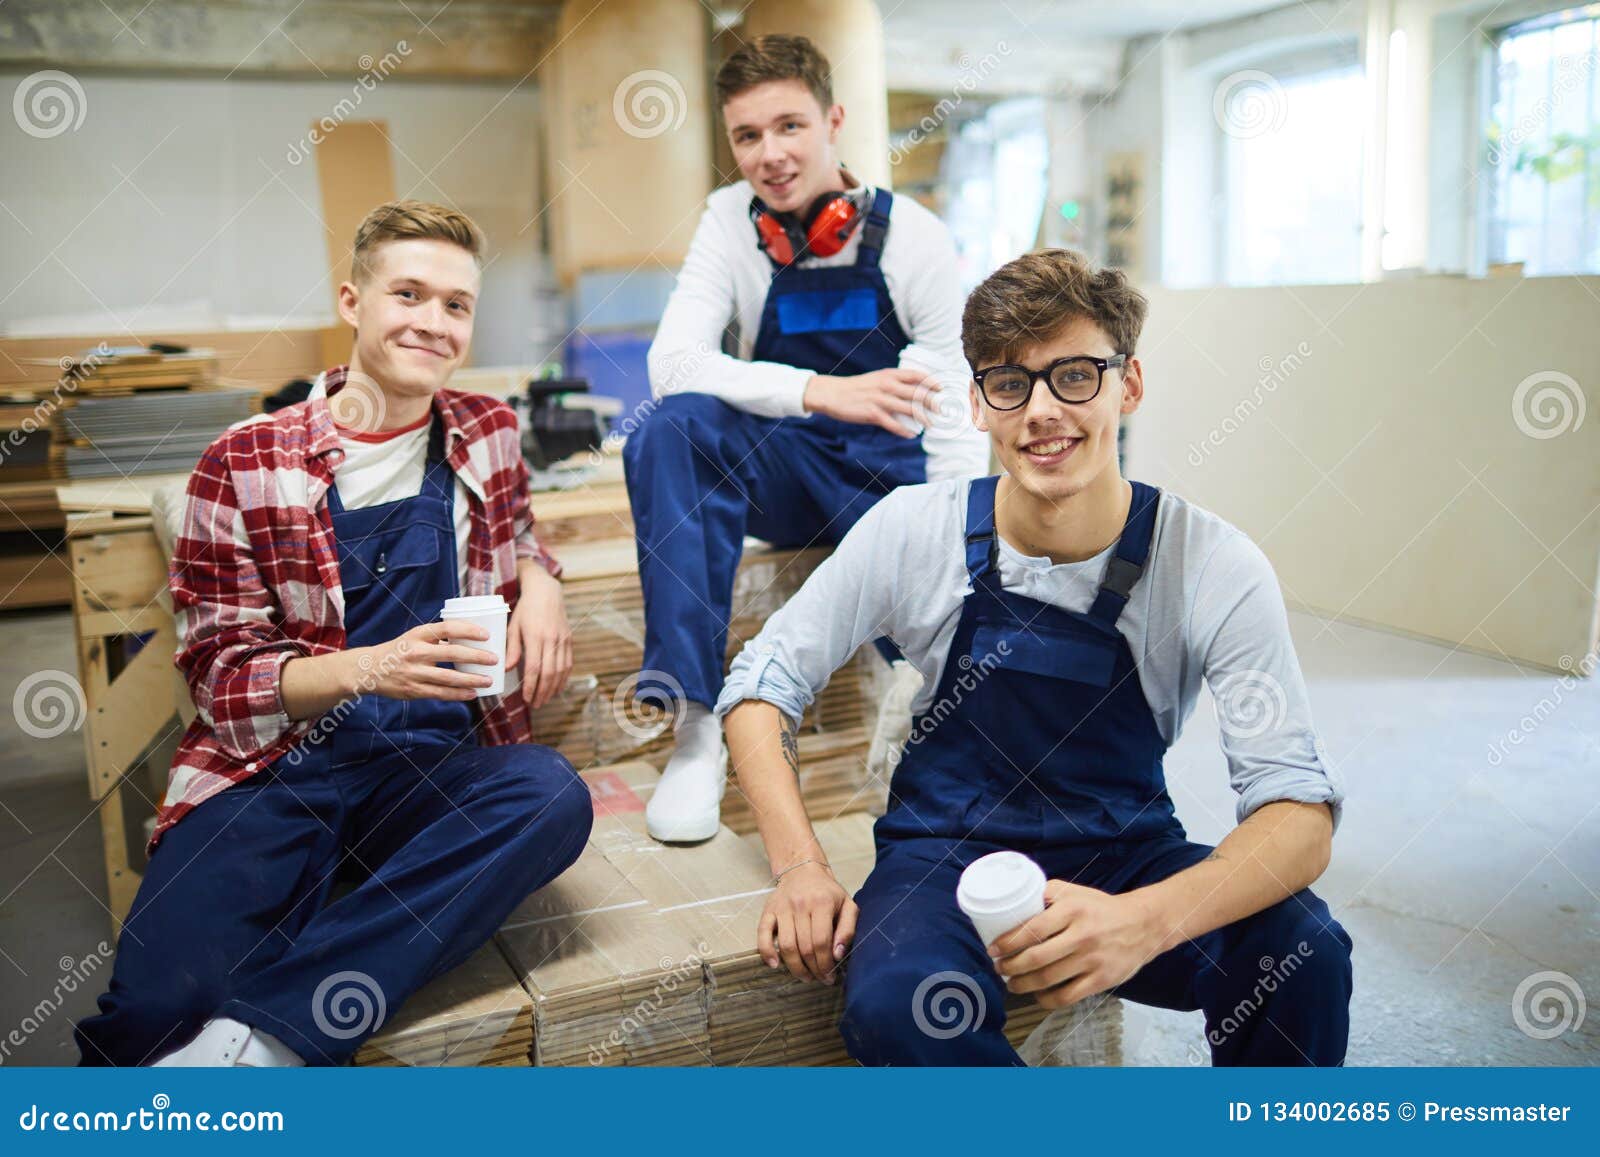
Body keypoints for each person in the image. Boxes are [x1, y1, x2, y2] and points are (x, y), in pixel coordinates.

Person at [718, 248, 1354, 1066]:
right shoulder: (915, 530)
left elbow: (1298, 812)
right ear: (980, 404)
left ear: (1129, 385)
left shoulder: (1211, 564)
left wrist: (1144, 921)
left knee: (1304, 952)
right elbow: (759, 687)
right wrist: (800, 865)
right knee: (894, 1006)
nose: (1043, 411)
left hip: (1124, 852)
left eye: (1077, 376)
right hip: (943, 856)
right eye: (1010, 383)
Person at [75, 201, 593, 1067]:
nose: (433, 322)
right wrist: (372, 667)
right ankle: (243, 1012)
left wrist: (541, 581)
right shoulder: (243, 461)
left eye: (456, 305)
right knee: (145, 1019)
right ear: (354, 301)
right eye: (409, 294)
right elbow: (221, 680)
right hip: (278, 771)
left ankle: (265, 1036)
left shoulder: (488, 433)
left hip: (427, 767)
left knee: (550, 796)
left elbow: (519, 530)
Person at [623, 34, 987, 842]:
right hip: (789, 463)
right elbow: (672, 363)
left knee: (968, 666)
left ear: (834, 121)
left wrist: (950, 547)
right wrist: (822, 391)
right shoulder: (727, 221)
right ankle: (694, 731)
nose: (770, 154)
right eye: (747, 136)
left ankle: (939, 729)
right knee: (668, 428)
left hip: (890, 482)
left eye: (790, 126)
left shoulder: (917, 240)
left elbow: (957, 422)